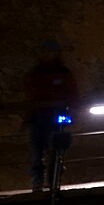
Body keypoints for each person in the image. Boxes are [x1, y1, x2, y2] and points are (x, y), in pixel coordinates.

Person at [24, 41, 78, 194]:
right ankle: (39, 185)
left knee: (55, 153)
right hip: (40, 117)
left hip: (52, 117)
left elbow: (72, 93)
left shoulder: (62, 72)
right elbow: (32, 92)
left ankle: (53, 183)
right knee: (37, 154)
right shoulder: (36, 73)